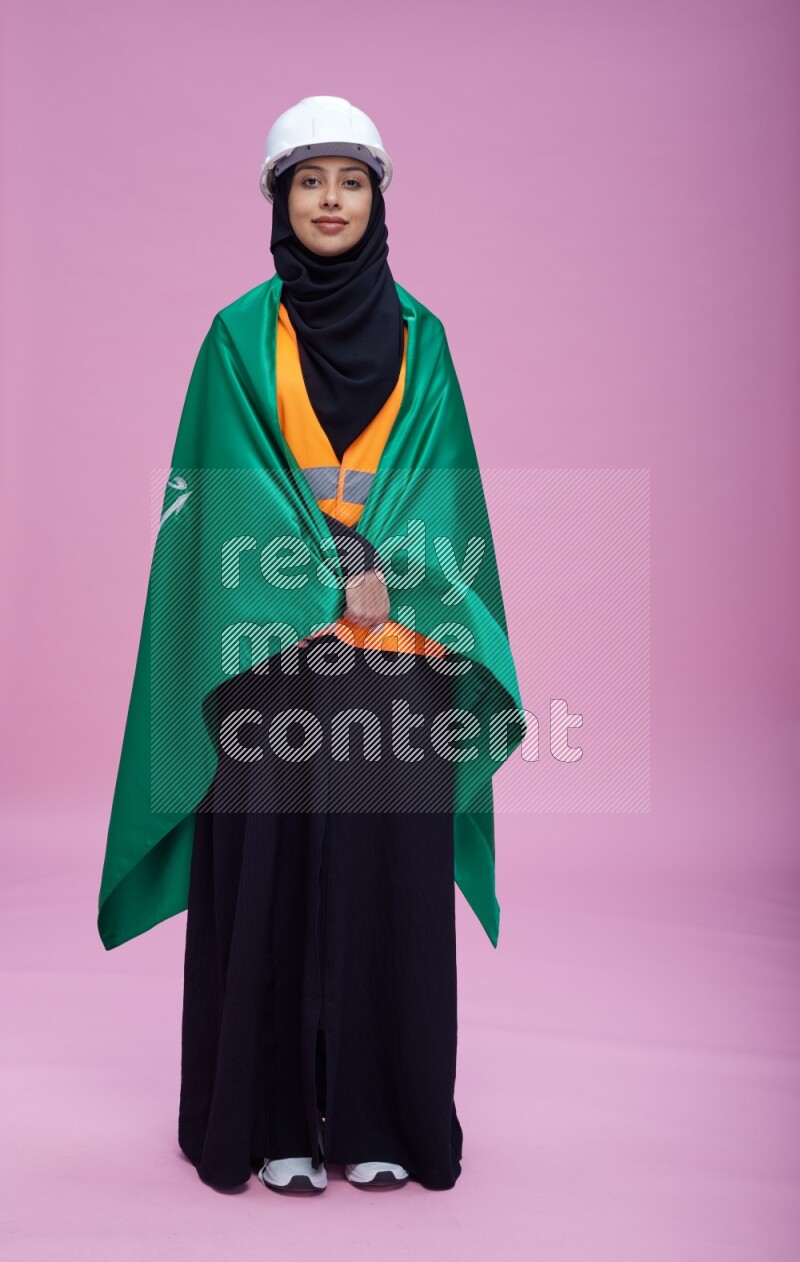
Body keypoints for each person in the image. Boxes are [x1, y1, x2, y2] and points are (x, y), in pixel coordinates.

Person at [96, 94, 527, 1198]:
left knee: (387, 873)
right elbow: (214, 499)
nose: (330, 199)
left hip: (396, 655)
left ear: (378, 197)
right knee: (271, 872)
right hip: (267, 652)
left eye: (350, 179)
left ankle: (381, 1115)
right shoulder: (236, 337)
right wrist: (323, 572)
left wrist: (390, 579)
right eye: (308, 179)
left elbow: (446, 496)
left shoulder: (424, 341)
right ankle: (270, 1116)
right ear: (277, 198)